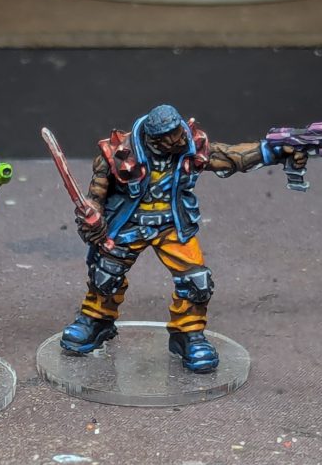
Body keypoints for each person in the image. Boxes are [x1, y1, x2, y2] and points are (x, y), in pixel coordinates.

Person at [61, 104, 307, 372]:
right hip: (128, 224)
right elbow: (96, 194)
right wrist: (92, 213)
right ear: (155, 139)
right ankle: (95, 322)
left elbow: (232, 156)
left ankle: (188, 334)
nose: (180, 141)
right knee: (105, 275)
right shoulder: (117, 152)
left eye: (179, 133)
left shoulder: (191, 147)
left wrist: (274, 150)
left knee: (196, 281)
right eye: (172, 138)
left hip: (173, 224)